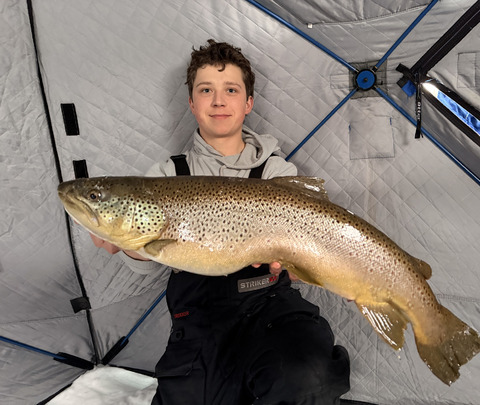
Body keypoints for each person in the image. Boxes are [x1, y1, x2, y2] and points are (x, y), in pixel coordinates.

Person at [91, 39, 350, 404]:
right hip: (198, 325)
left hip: (272, 312)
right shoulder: (164, 176)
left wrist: (307, 265)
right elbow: (148, 263)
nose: (218, 101)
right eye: (205, 90)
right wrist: (130, 247)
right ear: (191, 103)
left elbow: (307, 252)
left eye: (231, 90)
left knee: (309, 378)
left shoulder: (277, 173)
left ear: (248, 103)